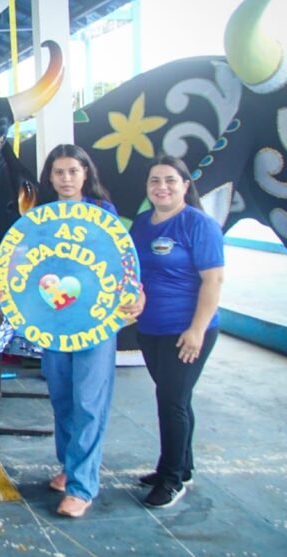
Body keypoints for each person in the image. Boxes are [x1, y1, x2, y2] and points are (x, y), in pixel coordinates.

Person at [25, 144, 140, 518]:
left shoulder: (103, 214)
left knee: (89, 400)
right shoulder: (40, 217)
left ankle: (82, 486)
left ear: (85, 173)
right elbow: (24, 265)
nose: (66, 179)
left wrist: (134, 292)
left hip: (96, 321)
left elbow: (123, 259)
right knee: (61, 397)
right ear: (50, 178)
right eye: (59, 172)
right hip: (55, 321)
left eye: (73, 171)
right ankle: (69, 466)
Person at [130, 155, 223, 509]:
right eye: (155, 181)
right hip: (150, 328)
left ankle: (170, 479)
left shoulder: (199, 224)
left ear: (185, 185)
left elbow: (213, 280)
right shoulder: (141, 224)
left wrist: (197, 329)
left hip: (186, 330)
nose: (162, 187)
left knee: (170, 402)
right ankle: (182, 466)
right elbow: (133, 271)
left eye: (170, 180)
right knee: (176, 398)